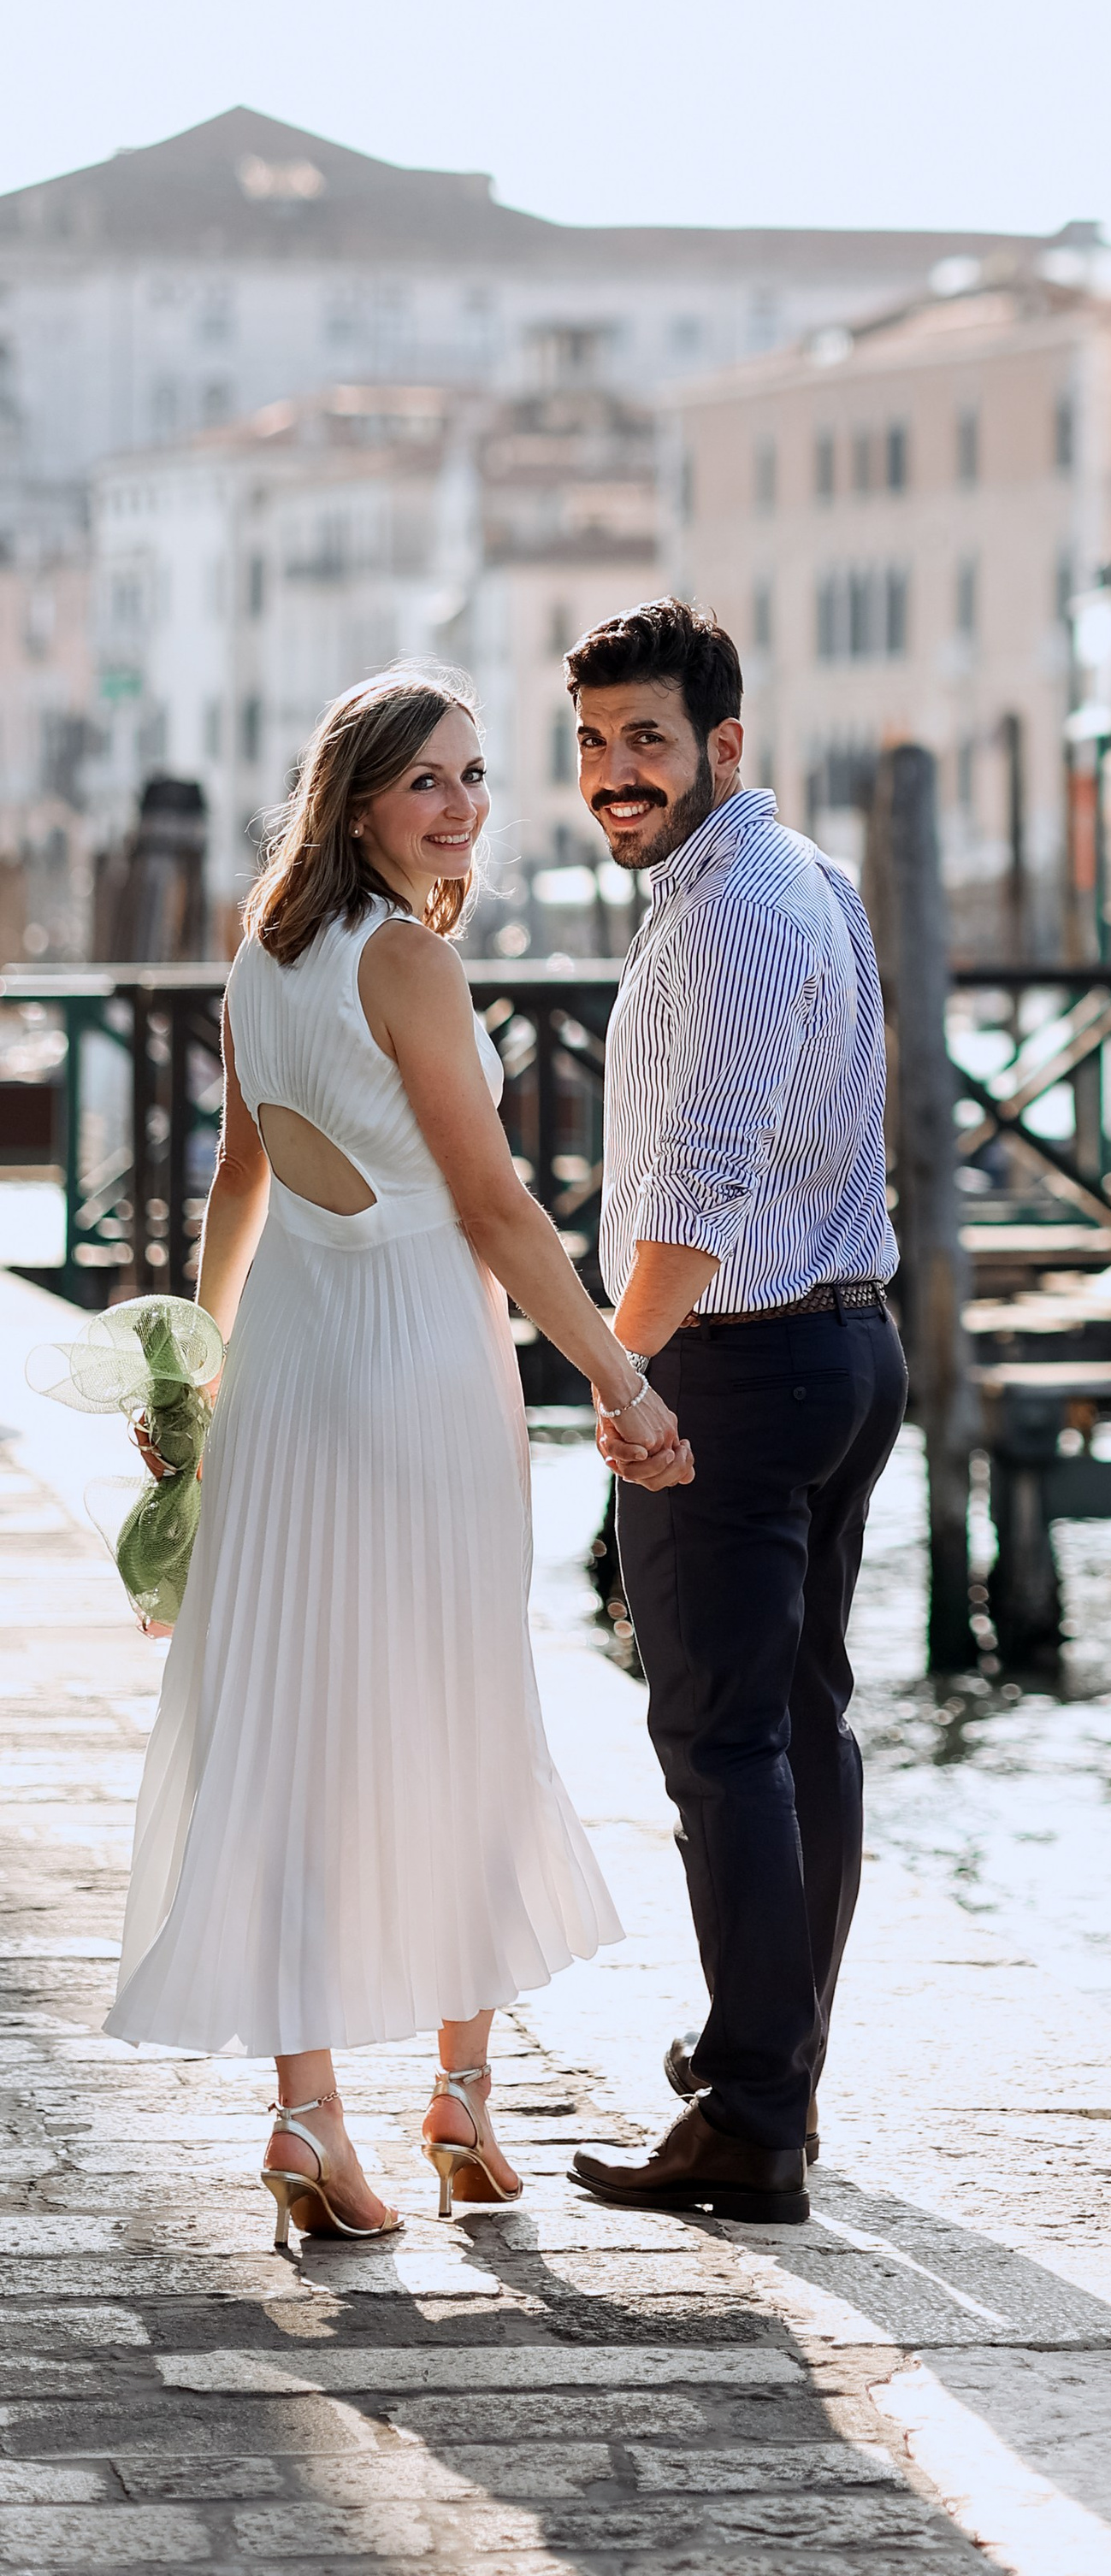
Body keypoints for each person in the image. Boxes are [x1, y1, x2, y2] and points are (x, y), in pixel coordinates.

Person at [104, 669, 691, 2244]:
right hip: (419, 1356)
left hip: (293, 1363)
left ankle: (311, 2116)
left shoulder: (263, 951)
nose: (463, 806)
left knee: (293, 1717)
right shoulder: (409, 961)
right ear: (355, 800)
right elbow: (495, 1209)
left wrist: (201, 1364)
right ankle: (461, 2097)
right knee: (458, 1704)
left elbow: (237, 1181)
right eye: (428, 779)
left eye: (476, 776)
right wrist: (623, 1381)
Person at [562, 599, 905, 2226]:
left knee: (723, 1739)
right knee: (800, 1723)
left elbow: (697, 1186)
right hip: (835, 1351)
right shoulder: (794, 878)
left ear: (724, 744)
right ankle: (775, 2065)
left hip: (738, 1363)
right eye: (593, 743)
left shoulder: (734, 914)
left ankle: (757, 2115)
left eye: (647, 739)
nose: (615, 774)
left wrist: (621, 1378)